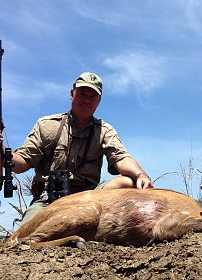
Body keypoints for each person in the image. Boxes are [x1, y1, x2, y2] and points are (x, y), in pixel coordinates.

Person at [1, 72, 153, 225]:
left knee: (128, 182)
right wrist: (2, 153)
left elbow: (121, 158)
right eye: (82, 94)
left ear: (99, 101)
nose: (86, 100)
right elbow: (22, 162)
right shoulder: (46, 125)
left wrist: (141, 175)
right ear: (72, 94)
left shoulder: (105, 130)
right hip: (49, 198)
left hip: (89, 197)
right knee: (25, 235)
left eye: (92, 96)